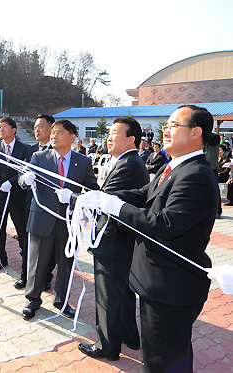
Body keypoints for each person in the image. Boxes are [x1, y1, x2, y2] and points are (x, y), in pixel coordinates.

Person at [93, 105, 218, 372]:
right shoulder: (174, 167)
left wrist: (116, 208)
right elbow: (143, 195)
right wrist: (104, 198)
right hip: (159, 284)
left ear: (196, 133)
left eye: (174, 125)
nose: (166, 130)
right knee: (167, 355)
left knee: (162, 360)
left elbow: (165, 224)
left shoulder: (196, 175)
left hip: (172, 287)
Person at [77, 117, 149, 361]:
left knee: (108, 295)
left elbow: (104, 201)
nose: (108, 137)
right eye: (108, 132)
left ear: (131, 139)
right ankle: (129, 335)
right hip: (122, 241)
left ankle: (107, 346)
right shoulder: (128, 161)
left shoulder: (129, 164)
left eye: (115, 132)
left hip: (114, 241)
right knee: (124, 293)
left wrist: (74, 198)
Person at [19, 119, 98, 320]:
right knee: (37, 263)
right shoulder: (39, 157)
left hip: (69, 222)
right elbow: (23, 177)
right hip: (42, 219)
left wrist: (74, 199)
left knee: (66, 263)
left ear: (72, 137)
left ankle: (61, 300)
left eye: (59, 132)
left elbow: (92, 191)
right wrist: (25, 180)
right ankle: (33, 299)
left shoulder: (84, 162)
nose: (53, 135)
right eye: (52, 132)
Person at [18, 114, 55, 290]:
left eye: (40, 126)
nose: (36, 130)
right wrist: (24, 179)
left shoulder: (59, 151)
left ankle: (46, 276)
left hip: (52, 206)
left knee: (50, 244)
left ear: (52, 129)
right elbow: (20, 174)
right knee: (28, 242)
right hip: (31, 205)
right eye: (35, 126)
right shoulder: (30, 150)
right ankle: (25, 275)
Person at [0, 117, 28, 273]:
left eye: (4, 126)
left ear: (14, 130)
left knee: (21, 229)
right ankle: (0, 258)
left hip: (17, 196)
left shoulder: (24, 148)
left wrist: (11, 182)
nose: (0, 129)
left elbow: (24, 169)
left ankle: (26, 259)